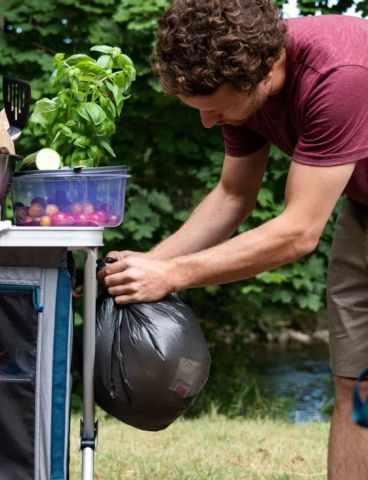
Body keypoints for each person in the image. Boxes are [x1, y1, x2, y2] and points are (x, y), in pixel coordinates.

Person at [97, 1, 368, 478]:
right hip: (364, 210)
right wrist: (142, 268)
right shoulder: (247, 90)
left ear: (262, 72)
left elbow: (299, 231)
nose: (207, 122)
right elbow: (231, 197)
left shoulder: (340, 73)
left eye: (215, 108)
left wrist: (174, 274)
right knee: (356, 384)